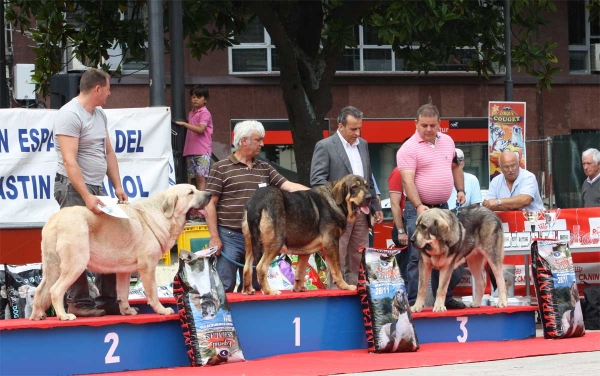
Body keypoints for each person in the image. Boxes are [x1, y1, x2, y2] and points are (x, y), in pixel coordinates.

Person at [53, 68, 128, 317]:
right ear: (97, 89)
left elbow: (108, 152)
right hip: (74, 188)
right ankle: (80, 302)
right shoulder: (69, 115)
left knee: (109, 240)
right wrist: (86, 196)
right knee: (76, 244)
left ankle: (108, 299)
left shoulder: (99, 114)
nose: (110, 92)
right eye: (108, 88)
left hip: (98, 187)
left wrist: (117, 186)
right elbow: (69, 160)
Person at [205, 120, 308, 292]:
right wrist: (214, 237)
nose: (263, 143)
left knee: (256, 287)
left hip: (257, 238)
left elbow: (289, 186)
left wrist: (321, 194)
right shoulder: (220, 168)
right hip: (229, 237)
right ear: (244, 141)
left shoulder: (264, 168)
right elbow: (209, 204)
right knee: (224, 287)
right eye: (258, 139)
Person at [396, 103, 466, 309]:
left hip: (444, 209)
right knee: (418, 257)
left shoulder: (448, 141)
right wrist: (418, 205)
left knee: (449, 253)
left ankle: (444, 299)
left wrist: (461, 190)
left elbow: (455, 167)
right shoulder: (407, 148)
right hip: (418, 209)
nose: (428, 129)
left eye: (433, 125)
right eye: (424, 125)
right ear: (415, 124)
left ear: (439, 124)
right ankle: (413, 302)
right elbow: (407, 181)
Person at [310, 106, 383, 287]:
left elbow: (368, 179)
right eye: (353, 129)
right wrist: (338, 202)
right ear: (340, 126)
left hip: (361, 213)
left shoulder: (364, 145)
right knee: (337, 258)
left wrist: (375, 206)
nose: (357, 133)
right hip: (337, 215)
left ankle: (356, 301)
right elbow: (317, 180)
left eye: (360, 128)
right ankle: (334, 303)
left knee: (358, 259)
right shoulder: (325, 146)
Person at [176, 84, 213, 191]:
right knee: (192, 179)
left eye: (198, 97)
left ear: (205, 99)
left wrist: (184, 124)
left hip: (202, 151)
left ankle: (202, 203)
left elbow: (201, 129)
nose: (195, 99)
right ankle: (195, 203)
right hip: (190, 151)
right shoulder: (191, 112)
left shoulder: (205, 113)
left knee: (201, 178)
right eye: (193, 97)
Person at [388, 167, 409, 281]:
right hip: (403, 223)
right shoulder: (398, 171)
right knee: (405, 267)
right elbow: (394, 204)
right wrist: (401, 230)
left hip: (420, 221)